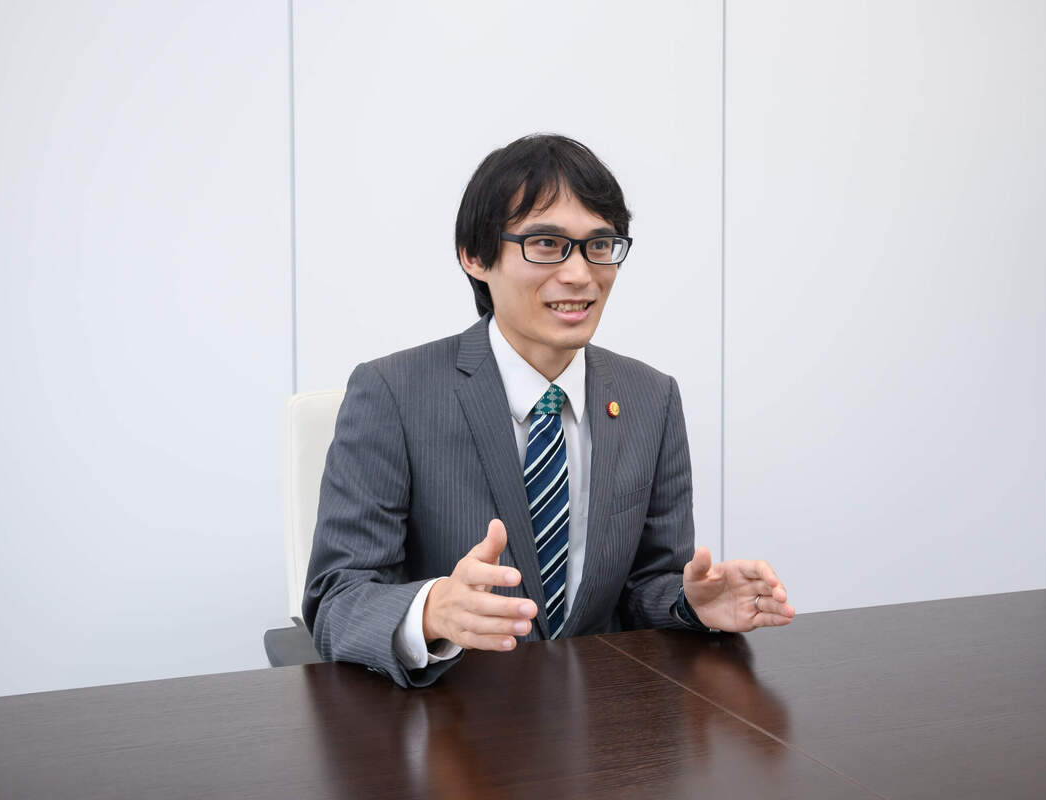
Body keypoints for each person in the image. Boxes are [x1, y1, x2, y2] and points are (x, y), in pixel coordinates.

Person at [303, 134, 795, 687]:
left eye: (599, 244)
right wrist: (433, 610)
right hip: (452, 717)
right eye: (546, 243)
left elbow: (644, 587)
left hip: (605, 718)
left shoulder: (651, 398)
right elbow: (336, 601)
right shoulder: (392, 393)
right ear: (475, 256)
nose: (581, 274)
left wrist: (689, 603)